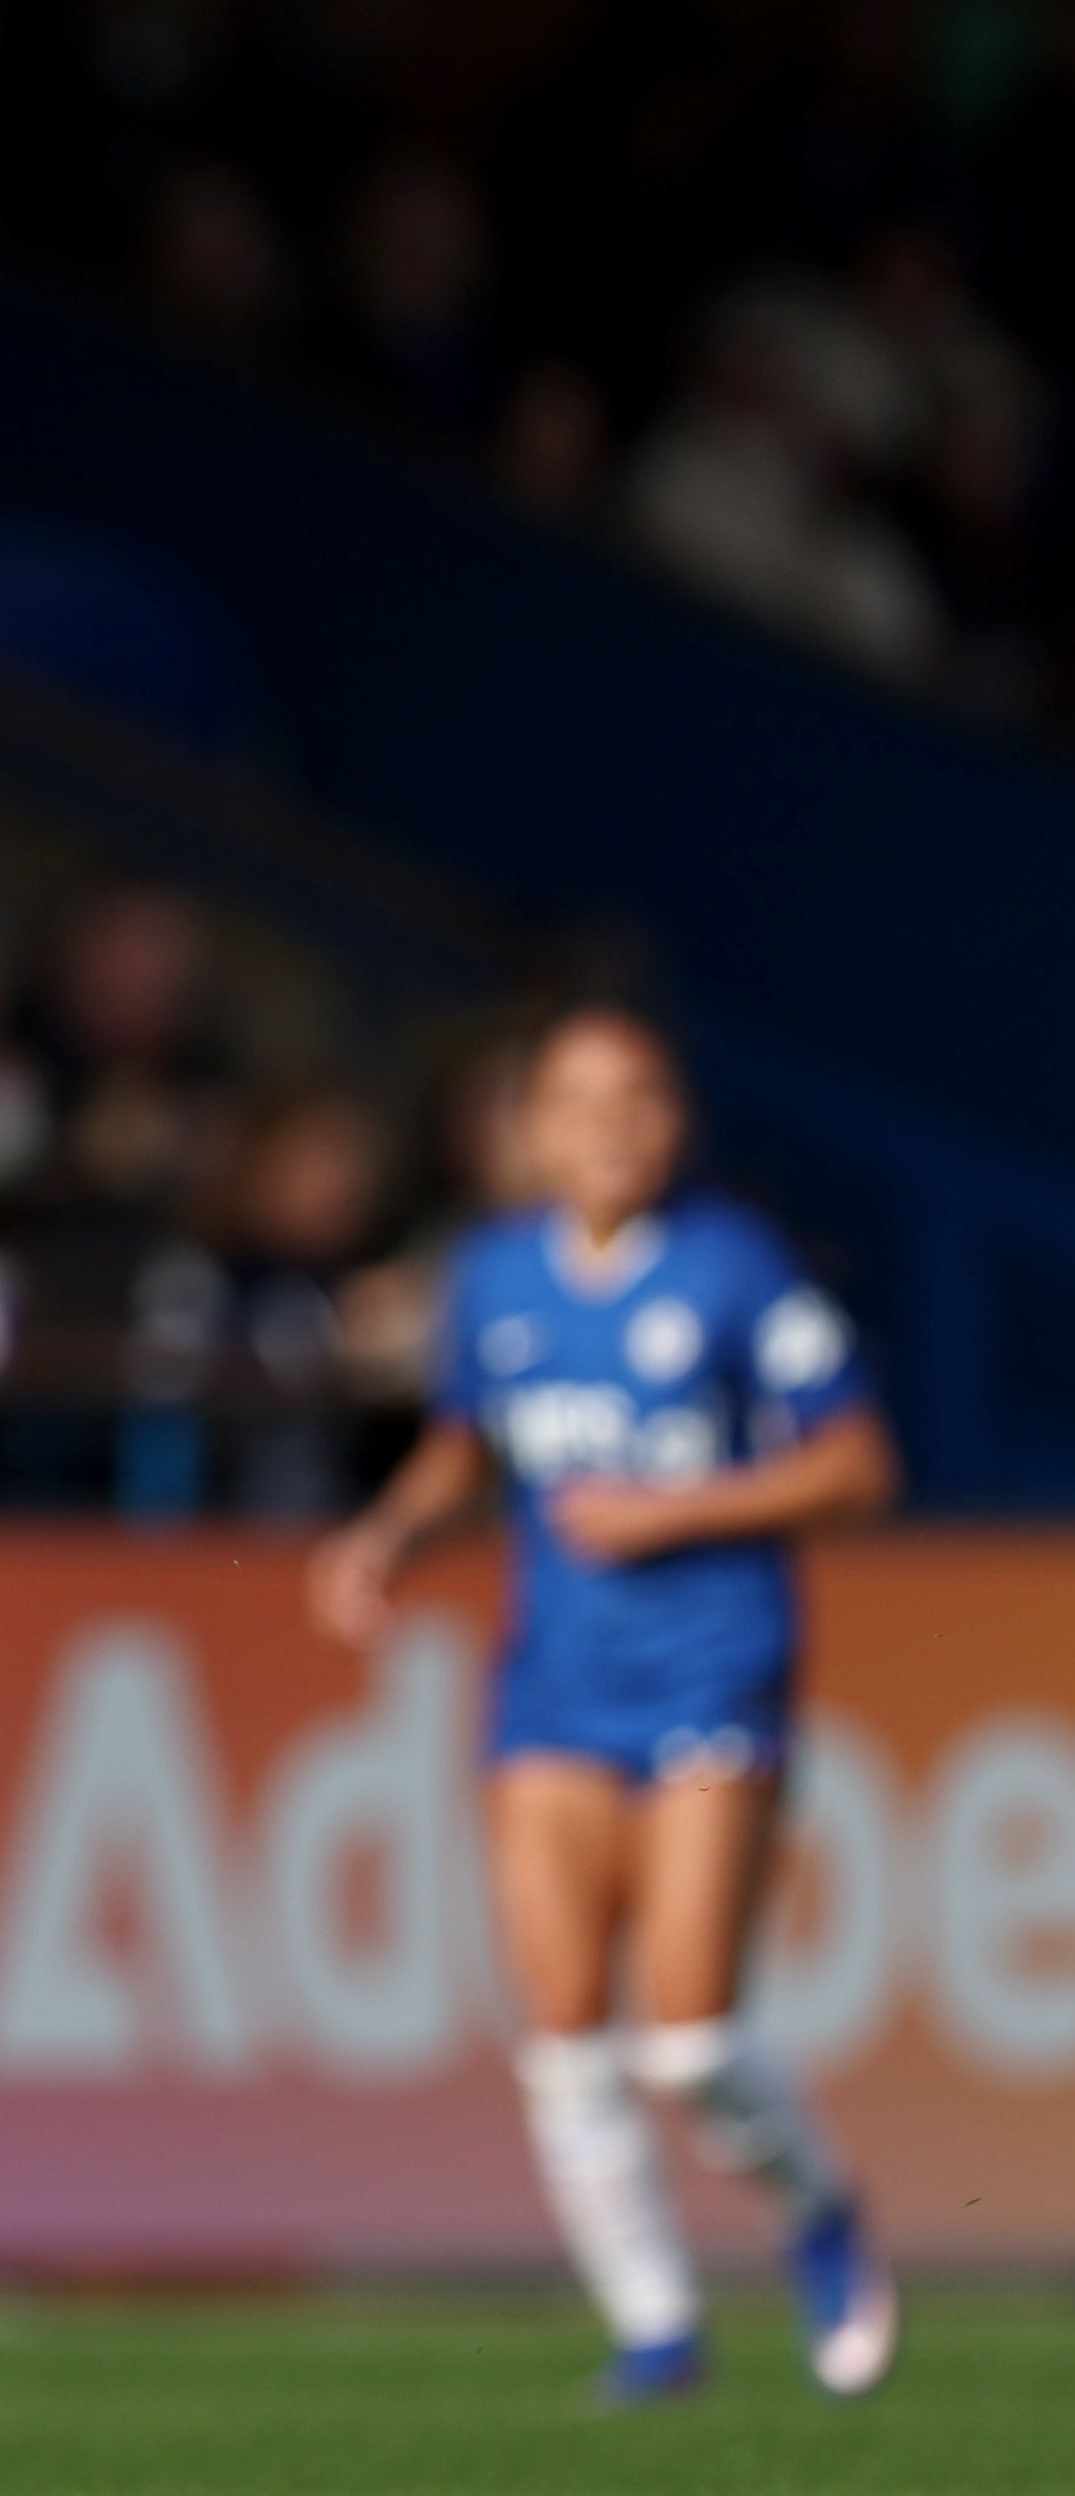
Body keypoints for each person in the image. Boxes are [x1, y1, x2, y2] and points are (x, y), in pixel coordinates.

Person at [310, 1006, 899, 2405]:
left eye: (635, 1094)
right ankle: (655, 2328)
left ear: (673, 1116)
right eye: (577, 1098)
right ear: (533, 1126)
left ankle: (818, 2213)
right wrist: (390, 1532)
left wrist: (675, 1508)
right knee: (566, 2029)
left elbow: (858, 1467)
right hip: (552, 1692)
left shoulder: (733, 1266)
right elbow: (469, 1443)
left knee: (690, 2038)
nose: (609, 1122)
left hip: (712, 1674)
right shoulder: (497, 1275)